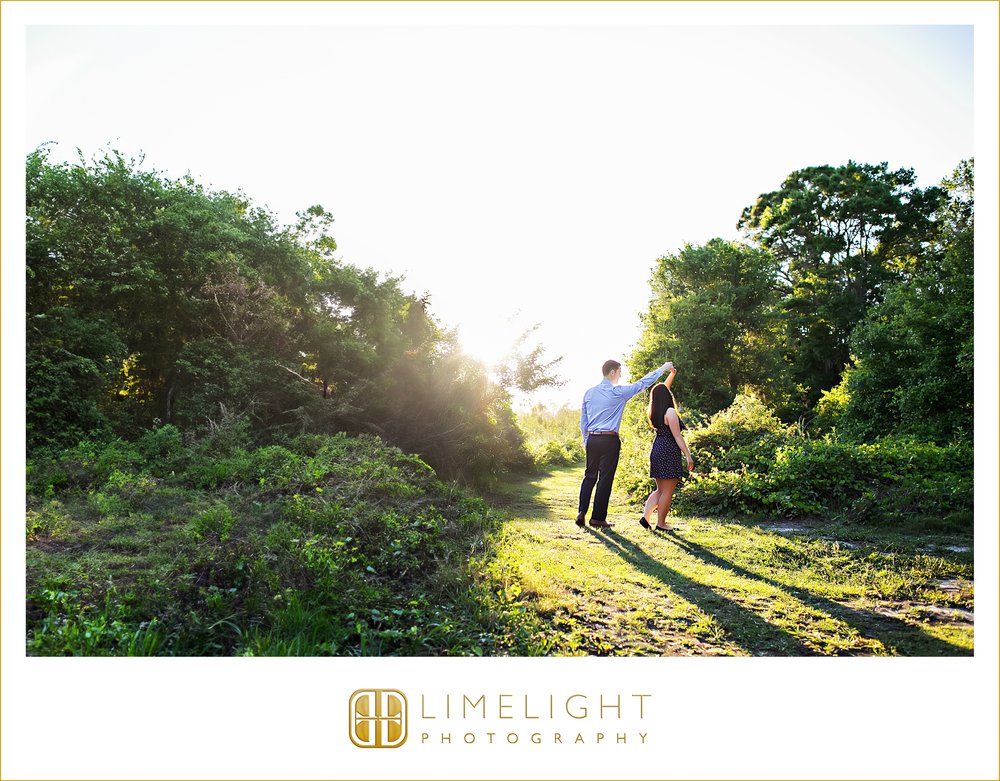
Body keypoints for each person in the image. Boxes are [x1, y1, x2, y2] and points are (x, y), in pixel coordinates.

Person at [577, 358, 673, 528]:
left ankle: (582, 511)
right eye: (619, 372)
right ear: (612, 372)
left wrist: (586, 440)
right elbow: (643, 383)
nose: (620, 376)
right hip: (609, 439)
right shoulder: (618, 392)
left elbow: (583, 421)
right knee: (605, 479)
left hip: (592, 438)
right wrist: (663, 369)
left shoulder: (589, 393)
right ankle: (597, 519)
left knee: (589, 475)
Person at [639, 380, 694, 531]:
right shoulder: (670, 411)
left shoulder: (654, 412)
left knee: (660, 490)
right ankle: (661, 524)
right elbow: (677, 436)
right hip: (668, 450)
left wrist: (672, 374)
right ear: (667, 396)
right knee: (667, 491)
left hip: (657, 448)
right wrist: (688, 455)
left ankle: (645, 517)